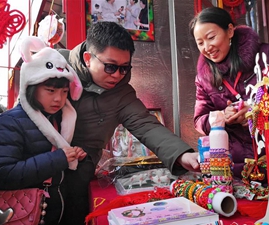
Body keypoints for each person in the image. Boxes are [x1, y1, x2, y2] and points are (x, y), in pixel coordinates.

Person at [58, 21, 200, 225]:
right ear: (88, 58)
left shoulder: (122, 94)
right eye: (110, 67)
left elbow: (145, 124)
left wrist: (183, 155)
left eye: (124, 68)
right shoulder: (55, 66)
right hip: (41, 165)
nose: (116, 75)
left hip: (81, 171)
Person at [0, 36, 86, 225]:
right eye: (50, 90)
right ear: (30, 87)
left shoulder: (59, 120)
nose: (59, 99)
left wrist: (72, 155)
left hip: (55, 213)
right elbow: (4, 174)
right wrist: (59, 158)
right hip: (24, 214)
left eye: (64, 92)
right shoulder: (10, 122)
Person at [189, 7, 269, 178]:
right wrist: (222, 116)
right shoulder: (204, 78)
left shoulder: (268, 56)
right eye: (200, 43)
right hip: (235, 168)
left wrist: (255, 110)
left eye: (211, 37)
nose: (207, 47)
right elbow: (199, 120)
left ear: (229, 31)